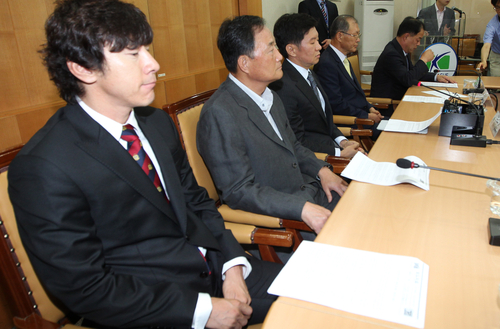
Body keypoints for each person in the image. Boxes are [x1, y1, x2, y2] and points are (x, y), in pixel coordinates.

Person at [7, 1, 282, 329]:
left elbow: (196, 203)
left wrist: (232, 266)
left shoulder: (155, 123)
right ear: (82, 68)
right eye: (133, 53)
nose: (153, 64)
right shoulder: (45, 166)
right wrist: (202, 310)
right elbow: (86, 288)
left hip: (218, 268)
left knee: (334, 291)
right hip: (152, 307)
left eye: (147, 50)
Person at [197, 15, 348, 234]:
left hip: (308, 192)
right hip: (281, 221)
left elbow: (293, 147)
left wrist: (322, 171)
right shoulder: (220, 113)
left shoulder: (270, 95)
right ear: (244, 63)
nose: (279, 56)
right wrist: (301, 208)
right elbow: (239, 190)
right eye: (270, 50)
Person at [269, 13, 363, 157]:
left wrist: (343, 141)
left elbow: (326, 121)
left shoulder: (310, 73)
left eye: (318, 41)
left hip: (332, 146)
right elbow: (297, 141)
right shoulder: (282, 87)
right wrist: (339, 153)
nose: (319, 47)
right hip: (319, 160)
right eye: (312, 42)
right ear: (291, 50)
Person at [312, 15, 384, 134]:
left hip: (361, 115)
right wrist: (366, 115)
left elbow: (355, 94)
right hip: (351, 122)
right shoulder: (327, 64)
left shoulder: (343, 58)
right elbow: (336, 104)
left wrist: (370, 107)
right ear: (340, 36)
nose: (358, 40)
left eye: (358, 35)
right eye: (355, 35)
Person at [371, 16, 455, 102]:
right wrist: (423, 60)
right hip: (388, 104)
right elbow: (408, 79)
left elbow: (412, 73)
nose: (418, 44)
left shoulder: (401, 49)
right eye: (417, 40)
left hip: (400, 97)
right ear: (406, 36)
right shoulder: (392, 54)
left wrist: (436, 77)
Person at [478, 0, 500, 76]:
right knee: (496, 83)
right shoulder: (492, 24)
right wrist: (484, 61)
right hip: (497, 56)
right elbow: (486, 45)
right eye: (498, 7)